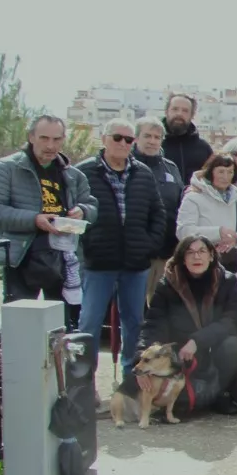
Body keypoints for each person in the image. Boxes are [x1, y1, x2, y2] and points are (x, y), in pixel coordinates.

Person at [75, 120, 166, 377]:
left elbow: (157, 214)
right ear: (104, 138)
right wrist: (87, 245)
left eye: (129, 140)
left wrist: (148, 245)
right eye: (118, 138)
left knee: (134, 324)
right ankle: (84, 383)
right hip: (99, 263)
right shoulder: (83, 172)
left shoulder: (143, 174)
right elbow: (72, 214)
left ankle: (130, 379)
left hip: (135, 265)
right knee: (89, 325)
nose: (124, 144)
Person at [138, 234, 237, 414]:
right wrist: (142, 360)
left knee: (233, 345)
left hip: (213, 348)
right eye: (190, 253)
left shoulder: (227, 281)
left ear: (211, 255)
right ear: (182, 258)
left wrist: (198, 341)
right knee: (180, 409)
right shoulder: (167, 284)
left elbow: (232, 320)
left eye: (202, 251)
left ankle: (221, 394)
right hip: (182, 355)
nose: (197, 257)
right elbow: (153, 324)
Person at [176, 152, 237, 344]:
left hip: (235, 266)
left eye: (230, 172)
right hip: (204, 267)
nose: (225, 176)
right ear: (211, 172)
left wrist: (235, 239)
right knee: (208, 319)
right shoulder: (193, 198)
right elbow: (184, 231)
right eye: (220, 171)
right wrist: (217, 233)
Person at [130, 116, 184, 297]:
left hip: (166, 252)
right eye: (147, 136)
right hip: (136, 254)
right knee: (134, 309)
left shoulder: (171, 168)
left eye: (157, 137)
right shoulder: (126, 166)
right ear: (136, 138)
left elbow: (179, 204)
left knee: (161, 308)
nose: (152, 141)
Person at [161, 93, 213, 184]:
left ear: (192, 115)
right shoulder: (153, 143)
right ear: (166, 111)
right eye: (175, 109)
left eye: (185, 111)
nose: (179, 114)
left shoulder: (203, 149)